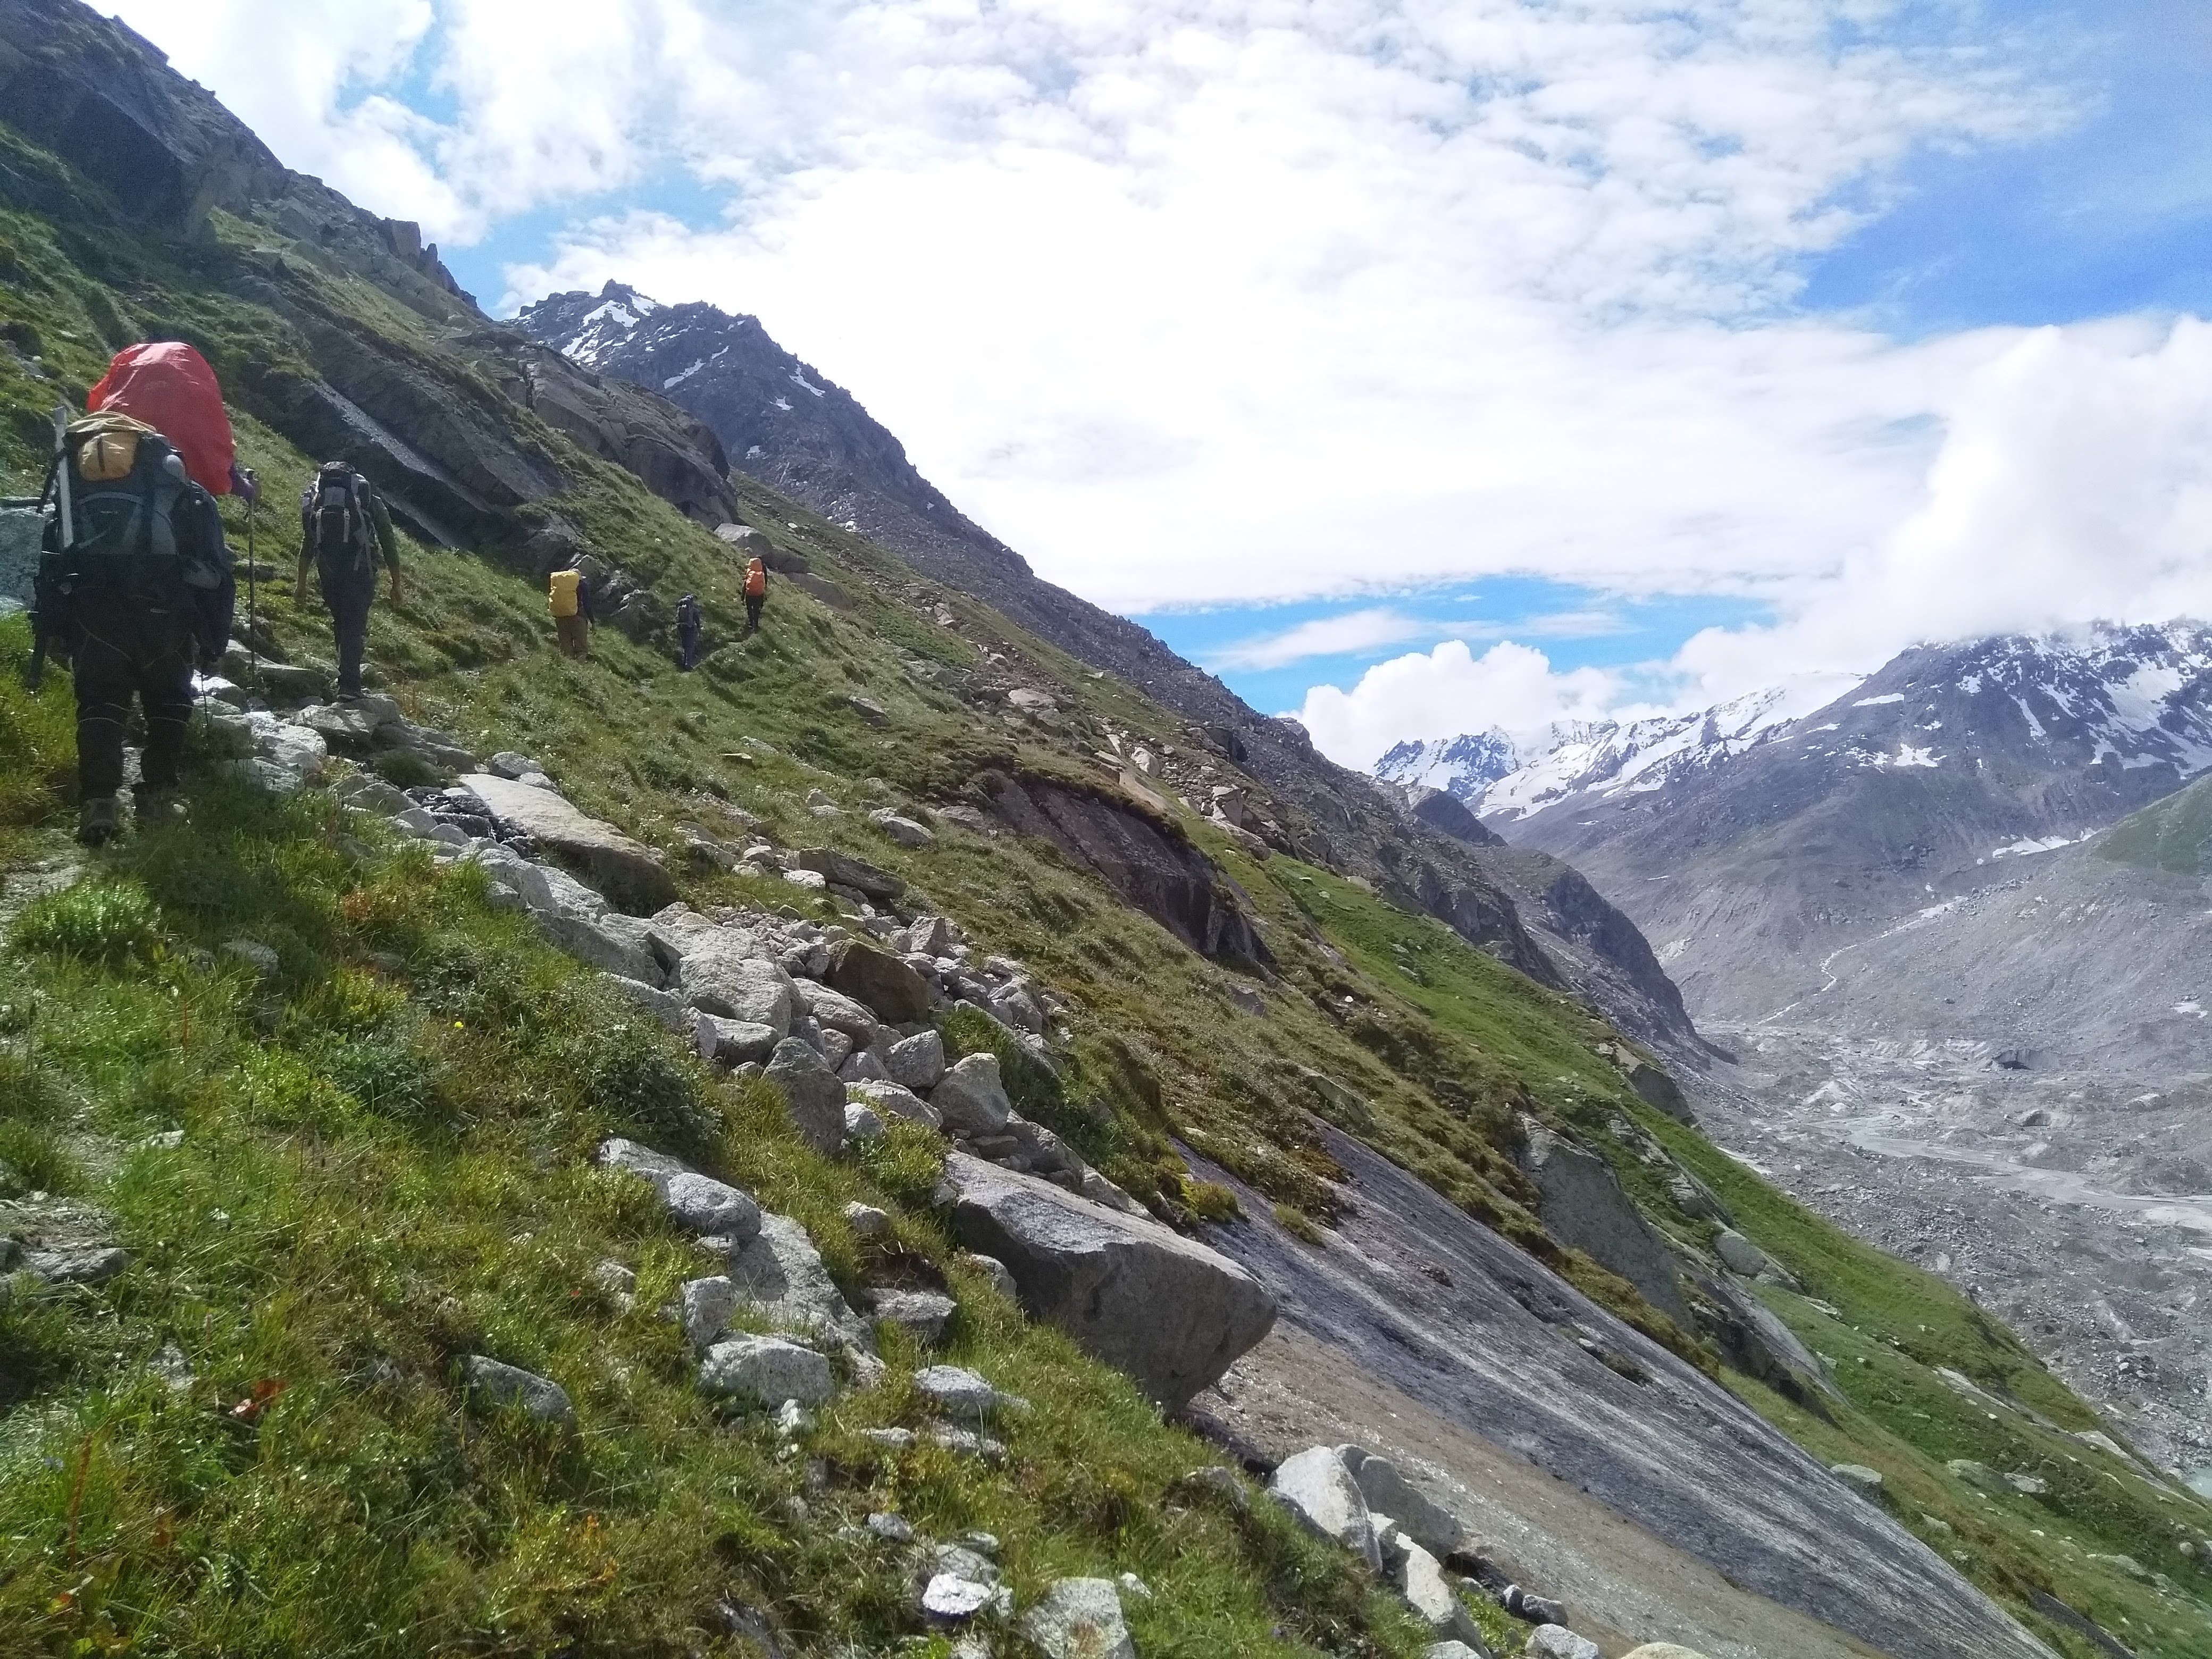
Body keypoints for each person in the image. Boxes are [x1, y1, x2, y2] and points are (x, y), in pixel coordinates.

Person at [37, 412, 233, 843]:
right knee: (168, 704)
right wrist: (215, 639)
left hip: (95, 614)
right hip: (167, 615)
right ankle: (157, 802)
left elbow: (51, 566)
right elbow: (217, 571)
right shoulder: (185, 493)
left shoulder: (73, 497)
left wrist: (53, 629)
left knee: (101, 705)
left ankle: (99, 805)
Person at [297, 460, 399, 699]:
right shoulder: (368, 499)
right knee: (354, 624)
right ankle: (350, 687)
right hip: (360, 569)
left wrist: (301, 584)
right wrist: (396, 584)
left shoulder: (317, 499)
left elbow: (308, 541)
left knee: (341, 620)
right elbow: (388, 541)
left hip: (328, 569)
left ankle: (345, 676)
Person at [549, 565, 593, 657]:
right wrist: (592, 621)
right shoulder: (582, 585)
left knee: (566, 647)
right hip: (578, 618)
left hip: (560, 617)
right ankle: (580, 669)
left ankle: (567, 667)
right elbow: (587, 604)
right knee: (581, 649)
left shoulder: (560, 585)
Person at [676, 592, 703, 671]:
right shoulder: (693, 610)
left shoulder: (680, 608)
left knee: (684, 646)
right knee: (690, 647)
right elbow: (697, 621)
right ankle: (688, 665)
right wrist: (699, 630)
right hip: (689, 629)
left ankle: (683, 663)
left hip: (681, 628)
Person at [743, 556, 767, 635]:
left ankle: (750, 622)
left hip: (750, 594)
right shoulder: (762, 573)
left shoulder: (749, 572)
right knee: (756, 610)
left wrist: (742, 597)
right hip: (759, 594)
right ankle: (755, 625)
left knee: (749, 608)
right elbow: (764, 584)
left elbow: (745, 584)